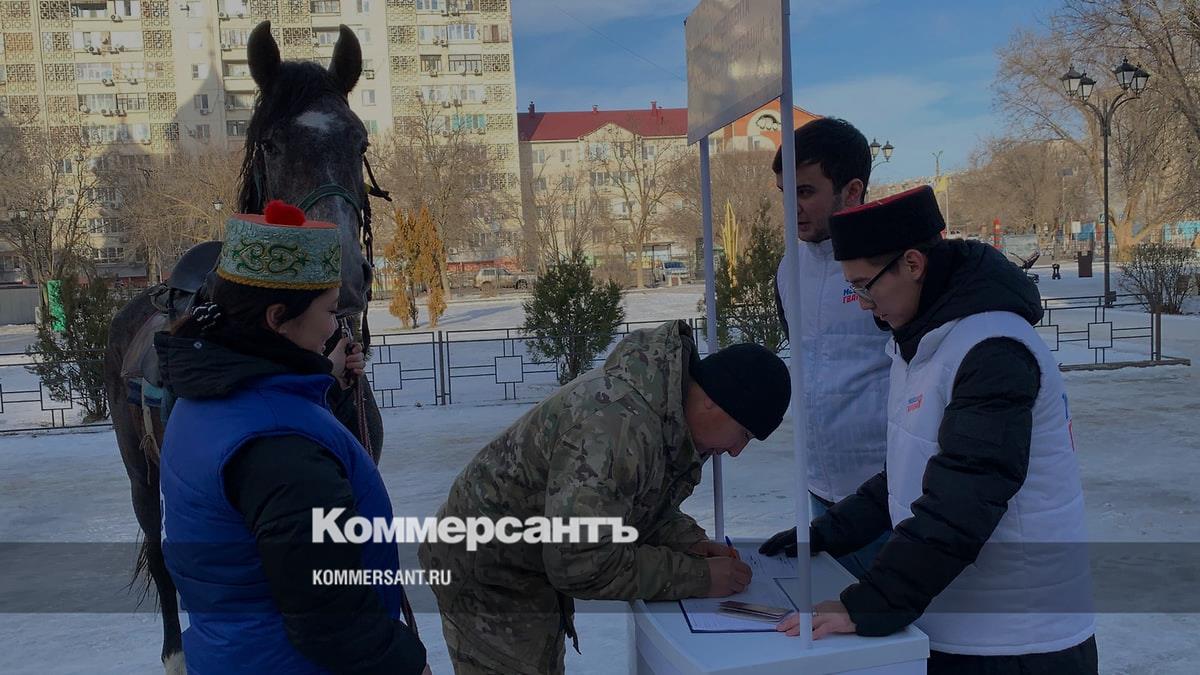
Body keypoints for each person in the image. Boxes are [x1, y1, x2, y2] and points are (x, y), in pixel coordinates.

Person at [777, 186, 1097, 674]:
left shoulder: (993, 350)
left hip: (1020, 641)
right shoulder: (924, 341)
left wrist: (872, 604)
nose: (862, 304)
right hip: (961, 624)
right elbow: (913, 469)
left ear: (912, 264)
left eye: (865, 286)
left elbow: (963, 500)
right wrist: (827, 534)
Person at [419, 321, 791, 674]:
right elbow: (579, 562)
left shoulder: (664, 414)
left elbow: (633, 504)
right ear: (714, 402)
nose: (736, 451)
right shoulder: (616, 426)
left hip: (521, 561)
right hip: (489, 574)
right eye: (743, 434)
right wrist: (698, 577)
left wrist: (686, 540)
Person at [156, 200, 429, 674]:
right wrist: (404, 665)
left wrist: (323, 380)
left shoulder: (208, 393)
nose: (334, 326)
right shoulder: (278, 445)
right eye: (329, 310)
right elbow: (330, 616)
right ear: (277, 317)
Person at [759, 118, 892, 579]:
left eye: (805, 192)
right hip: (820, 484)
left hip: (891, 491)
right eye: (785, 193)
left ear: (852, 191)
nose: (791, 208)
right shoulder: (788, 268)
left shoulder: (895, 263)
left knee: (899, 614)